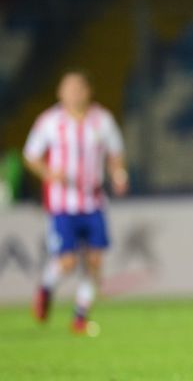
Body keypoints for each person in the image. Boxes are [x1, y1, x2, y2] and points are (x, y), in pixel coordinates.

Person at [24, 70, 128, 334]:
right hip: (63, 205)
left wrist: (118, 174)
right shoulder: (49, 121)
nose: (73, 93)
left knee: (94, 261)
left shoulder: (101, 120)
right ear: (60, 93)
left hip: (93, 202)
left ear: (87, 91)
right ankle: (46, 289)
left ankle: (80, 316)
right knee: (67, 262)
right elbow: (31, 155)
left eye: (78, 88)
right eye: (68, 88)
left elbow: (115, 152)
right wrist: (49, 173)